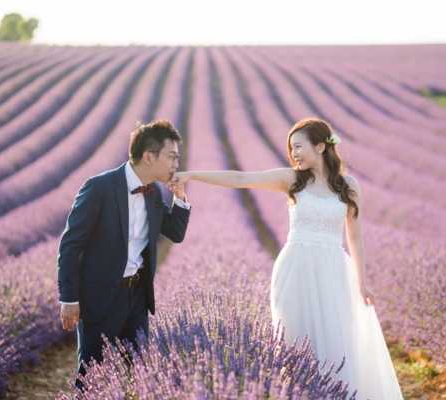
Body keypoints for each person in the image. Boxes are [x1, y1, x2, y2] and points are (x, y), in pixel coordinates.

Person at [169, 117, 404, 399]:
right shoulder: (292, 180)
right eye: (291, 148)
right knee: (297, 345)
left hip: (333, 272)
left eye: (298, 146)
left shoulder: (349, 186)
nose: (293, 153)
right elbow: (242, 179)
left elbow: (355, 238)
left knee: (336, 344)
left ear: (320, 146)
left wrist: (362, 282)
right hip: (295, 270)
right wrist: (193, 175)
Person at [57, 120, 191, 390]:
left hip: (138, 297)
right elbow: (71, 245)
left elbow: (175, 233)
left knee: (138, 372)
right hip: (101, 296)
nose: (177, 164)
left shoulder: (153, 193)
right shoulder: (99, 188)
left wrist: (180, 198)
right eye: (172, 157)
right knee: (91, 374)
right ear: (149, 156)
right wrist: (69, 298)